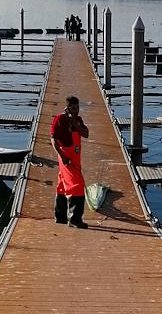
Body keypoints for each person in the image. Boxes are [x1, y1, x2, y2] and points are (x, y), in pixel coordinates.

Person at [51, 95, 90, 228]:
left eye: (77, 107)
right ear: (67, 108)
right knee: (77, 185)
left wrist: (74, 122)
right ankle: (74, 219)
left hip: (76, 158)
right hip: (67, 158)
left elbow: (85, 134)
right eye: (73, 108)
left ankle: (60, 216)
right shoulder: (59, 119)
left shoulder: (78, 120)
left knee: (62, 185)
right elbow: (53, 140)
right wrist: (62, 156)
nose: (76, 110)